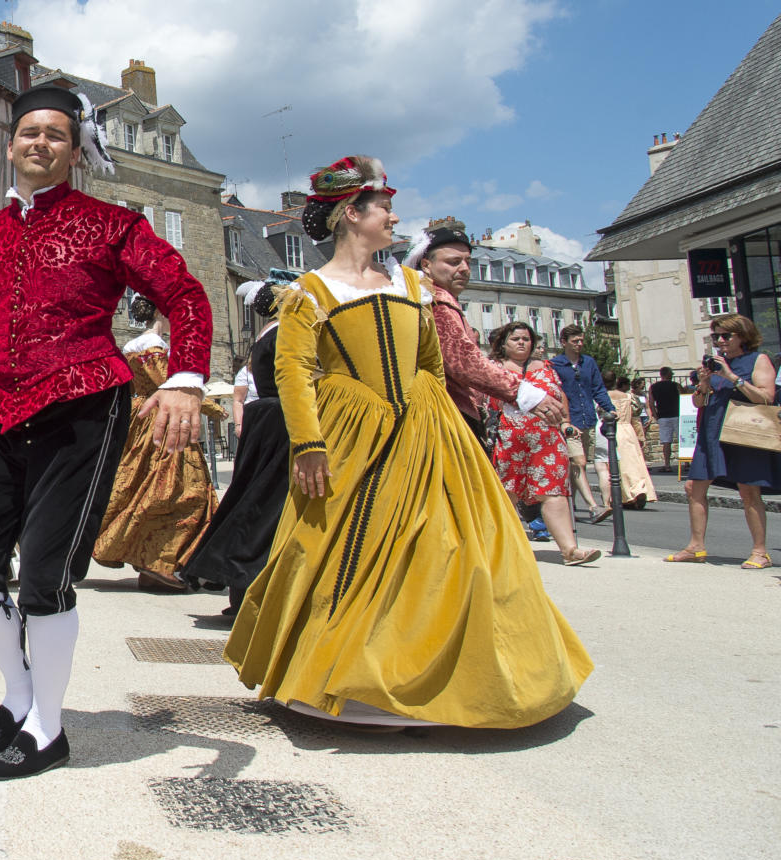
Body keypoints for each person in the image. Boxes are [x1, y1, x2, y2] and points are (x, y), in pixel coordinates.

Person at [0, 84, 212, 779]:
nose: (40, 143)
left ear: (73, 150)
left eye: (55, 134)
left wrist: (185, 379)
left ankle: (48, 730)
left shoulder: (113, 224)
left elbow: (185, 294)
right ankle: (21, 694)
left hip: (85, 403)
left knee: (46, 578)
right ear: (11, 143)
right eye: (29, 131)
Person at [225, 156, 590, 729]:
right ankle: (341, 675)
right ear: (353, 215)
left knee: (455, 547)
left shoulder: (412, 284)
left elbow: (431, 361)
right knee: (344, 548)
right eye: (385, 208)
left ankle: (452, 675)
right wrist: (309, 444)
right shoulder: (311, 291)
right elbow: (295, 374)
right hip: (350, 433)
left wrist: (437, 418)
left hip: (427, 428)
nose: (395, 218)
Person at [91, 296, 223, 591]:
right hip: (162, 418)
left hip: (138, 416)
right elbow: (167, 382)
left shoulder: (134, 346)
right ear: (163, 310)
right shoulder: (154, 346)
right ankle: (158, 563)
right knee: (178, 490)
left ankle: (155, 563)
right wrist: (210, 404)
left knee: (139, 487)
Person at [183, 278, 293, 616]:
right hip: (281, 420)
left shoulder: (263, 338)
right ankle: (248, 587)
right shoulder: (284, 334)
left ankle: (241, 587)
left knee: (252, 501)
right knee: (266, 504)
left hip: (265, 420)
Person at [404, 221, 564, 441]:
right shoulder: (436, 301)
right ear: (426, 265)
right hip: (446, 416)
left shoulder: (436, 298)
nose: (464, 269)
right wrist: (524, 394)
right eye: (453, 262)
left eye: (467, 261)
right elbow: (466, 362)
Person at [666, 314, 778, 568]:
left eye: (726, 336)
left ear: (743, 336)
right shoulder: (718, 364)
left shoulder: (757, 360)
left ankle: (760, 551)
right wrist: (704, 384)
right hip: (712, 432)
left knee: (749, 490)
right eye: (716, 336)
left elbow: (766, 398)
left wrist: (732, 377)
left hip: (743, 433)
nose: (720, 341)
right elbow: (697, 402)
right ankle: (696, 546)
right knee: (693, 487)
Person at [486, 323, 601, 565]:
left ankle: (570, 550)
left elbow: (560, 396)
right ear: (504, 344)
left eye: (526, 339)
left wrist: (566, 422)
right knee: (507, 494)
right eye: (515, 338)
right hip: (509, 440)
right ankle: (497, 549)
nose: (521, 343)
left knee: (553, 492)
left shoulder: (546, 368)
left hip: (546, 440)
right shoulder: (494, 369)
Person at [550, 324, 615, 518]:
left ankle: (570, 505)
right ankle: (593, 507)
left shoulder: (589, 363)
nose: (580, 344)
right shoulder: (555, 365)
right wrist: (561, 419)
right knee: (578, 462)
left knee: (577, 465)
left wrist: (609, 408)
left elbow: (598, 389)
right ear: (564, 342)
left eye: (581, 340)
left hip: (588, 419)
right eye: (575, 341)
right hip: (568, 422)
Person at [605, 369, 654, 511]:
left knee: (615, 465)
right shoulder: (628, 397)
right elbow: (636, 415)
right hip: (628, 430)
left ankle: (622, 495)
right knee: (633, 462)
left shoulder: (604, 397)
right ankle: (637, 488)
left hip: (612, 429)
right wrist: (640, 435)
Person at [648, 366, 683, 472]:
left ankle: (667, 465)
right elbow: (683, 397)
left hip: (663, 416)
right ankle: (686, 463)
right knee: (682, 439)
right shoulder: (676, 385)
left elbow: (651, 402)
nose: (672, 376)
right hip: (677, 414)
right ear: (668, 374)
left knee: (666, 441)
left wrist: (655, 415)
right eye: (671, 374)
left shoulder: (653, 387)